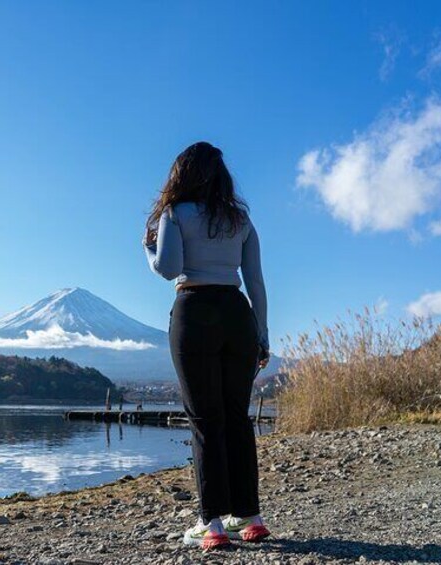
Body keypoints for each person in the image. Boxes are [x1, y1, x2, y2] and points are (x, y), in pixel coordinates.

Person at [143, 141, 271, 550]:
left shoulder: (175, 214)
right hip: (238, 314)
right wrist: (262, 333)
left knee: (204, 420)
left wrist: (147, 250)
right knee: (237, 418)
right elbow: (256, 282)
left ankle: (211, 524)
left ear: (181, 175)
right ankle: (250, 518)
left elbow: (169, 268)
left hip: (194, 311)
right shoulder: (241, 219)